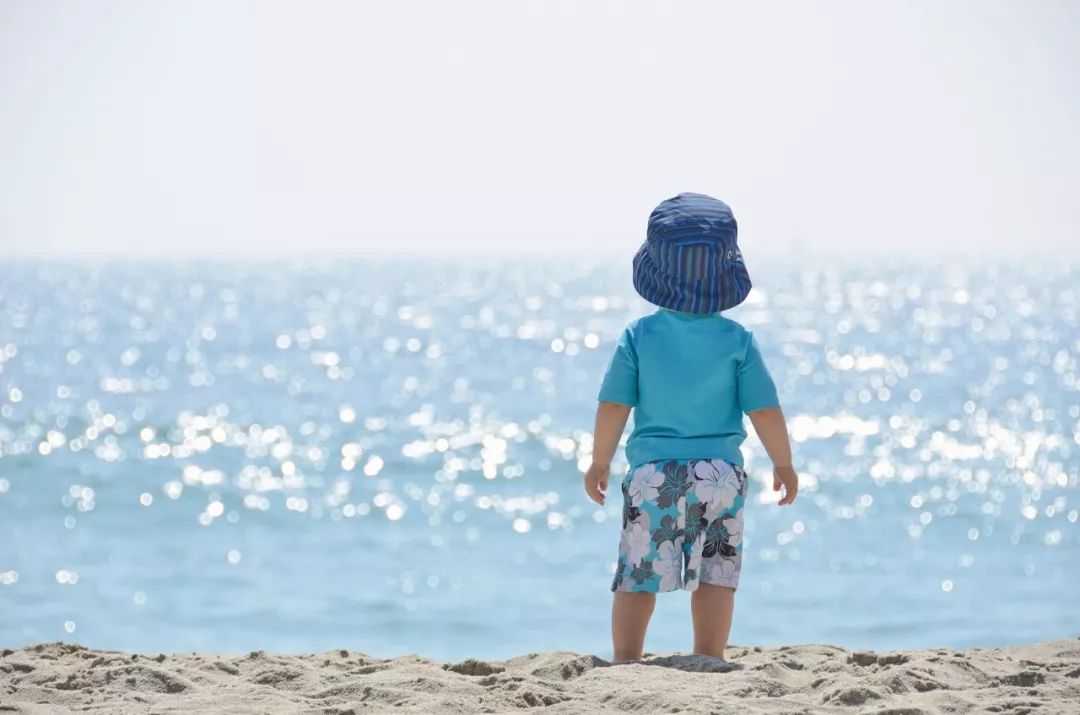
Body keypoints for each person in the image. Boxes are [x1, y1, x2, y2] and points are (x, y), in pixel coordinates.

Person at [583, 192, 798, 665]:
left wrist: (600, 460)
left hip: (653, 475)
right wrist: (783, 463)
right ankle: (708, 654)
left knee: (638, 574)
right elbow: (764, 410)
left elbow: (614, 404)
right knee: (716, 574)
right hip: (719, 476)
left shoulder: (638, 336)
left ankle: (626, 658)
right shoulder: (737, 340)